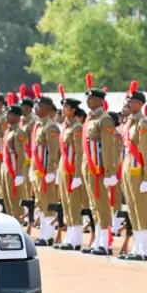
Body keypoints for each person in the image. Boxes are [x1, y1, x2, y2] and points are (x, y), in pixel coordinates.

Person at [81, 76, 120, 256]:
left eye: (91, 98)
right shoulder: (90, 118)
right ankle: (99, 240)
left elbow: (108, 146)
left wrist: (110, 171)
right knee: (94, 204)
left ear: (100, 101)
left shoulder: (104, 119)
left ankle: (105, 242)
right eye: (87, 98)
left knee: (102, 204)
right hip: (89, 166)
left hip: (99, 167)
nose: (88, 101)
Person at [119, 84, 147, 262]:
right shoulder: (129, 122)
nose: (129, 103)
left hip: (139, 170)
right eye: (128, 100)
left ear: (140, 104)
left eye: (132, 101)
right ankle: (137, 247)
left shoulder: (144, 124)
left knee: (141, 209)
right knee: (132, 209)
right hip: (128, 168)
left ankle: (145, 249)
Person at [55, 95, 88, 251]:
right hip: (63, 166)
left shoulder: (77, 128)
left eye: (66, 108)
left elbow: (79, 152)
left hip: (72, 167)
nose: (63, 110)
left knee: (74, 203)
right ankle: (70, 235)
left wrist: (77, 175)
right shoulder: (66, 127)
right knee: (66, 203)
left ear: (73, 110)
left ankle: (76, 238)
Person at [29, 93, 62, 245]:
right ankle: (43, 233)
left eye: (40, 106)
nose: (36, 108)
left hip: (46, 170)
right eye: (36, 105)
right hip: (37, 170)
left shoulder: (51, 127)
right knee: (41, 202)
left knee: (48, 203)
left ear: (49, 109)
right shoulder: (38, 125)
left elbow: (53, 150)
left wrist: (51, 170)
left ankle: (48, 235)